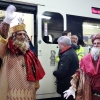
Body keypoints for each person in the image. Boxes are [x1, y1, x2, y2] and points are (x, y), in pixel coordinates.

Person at [0, 5, 45, 100]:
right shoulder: (8, 48)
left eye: (24, 34)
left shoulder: (29, 51)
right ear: (13, 36)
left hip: (28, 86)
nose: (23, 36)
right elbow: (3, 36)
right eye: (19, 34)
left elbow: (34, 68)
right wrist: (7, 21)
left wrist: (36, 83)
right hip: (11, 87)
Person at [63, 33, 100, 100]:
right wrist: (72, 87)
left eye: (98, 43)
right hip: (90, 95)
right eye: (94, 44)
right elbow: (79, 73)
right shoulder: (86, 59)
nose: (96, 45)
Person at [53, 36, 79, 100]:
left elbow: (62, 73)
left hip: (66, 85)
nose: (58, 46)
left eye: (59, 44)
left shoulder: (66, 55)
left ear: (63, 45)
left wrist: (55, 73)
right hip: (70, 84)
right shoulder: (72, 52)